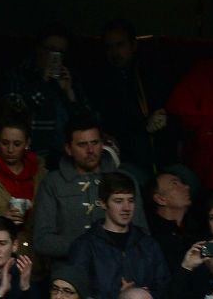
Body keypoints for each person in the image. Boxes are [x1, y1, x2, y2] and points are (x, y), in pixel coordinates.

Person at [33, 119, 143, 259]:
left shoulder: (125, 180)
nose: (90, 150)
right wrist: (86, 248)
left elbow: (141, 233)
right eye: (82, 145)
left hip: (120, 266)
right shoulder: (53, 183)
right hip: (70, 270)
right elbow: (42, 240)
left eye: (95, 143)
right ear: (68, 149)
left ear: (102, 144)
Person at [66, 173, 168, 295]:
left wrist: (144, 294)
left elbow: (166, 289)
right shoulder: (85, 246)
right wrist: (119, 296)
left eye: (130, 201)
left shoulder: (148, 244)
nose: (126, 208)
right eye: (118, 201)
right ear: (103, 203)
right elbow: (76, 294)